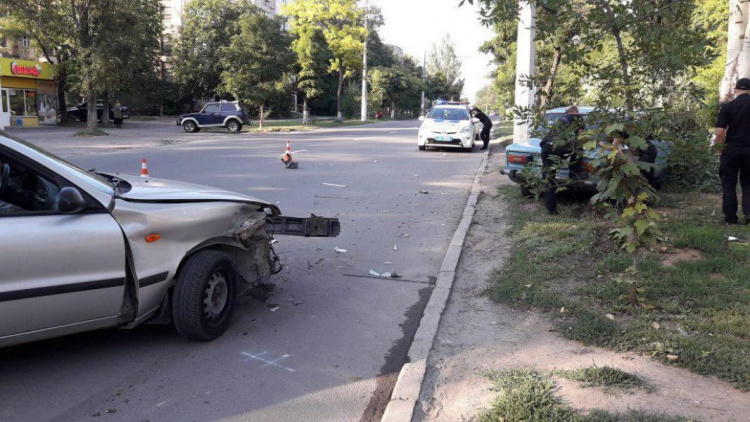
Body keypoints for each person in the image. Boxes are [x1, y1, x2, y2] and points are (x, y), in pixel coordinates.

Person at [715, 78, 750, 225]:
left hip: (731, 150)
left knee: (729, 184)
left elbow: (720, 133)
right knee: (749, 183)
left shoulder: (728, 107)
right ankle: (749, 215)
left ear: (735, 90)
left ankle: (730, 217)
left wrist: (719, 151)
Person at [540, 106, 585, 215]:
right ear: (575, 112)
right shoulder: (578, 118)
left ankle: (551, 209)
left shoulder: (559, 120)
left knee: (549, 178)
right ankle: (573, 176)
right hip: (560, 147)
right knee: (578, 149)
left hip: (546, 146)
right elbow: (581, 137)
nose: (578, 113)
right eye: (577, 112)